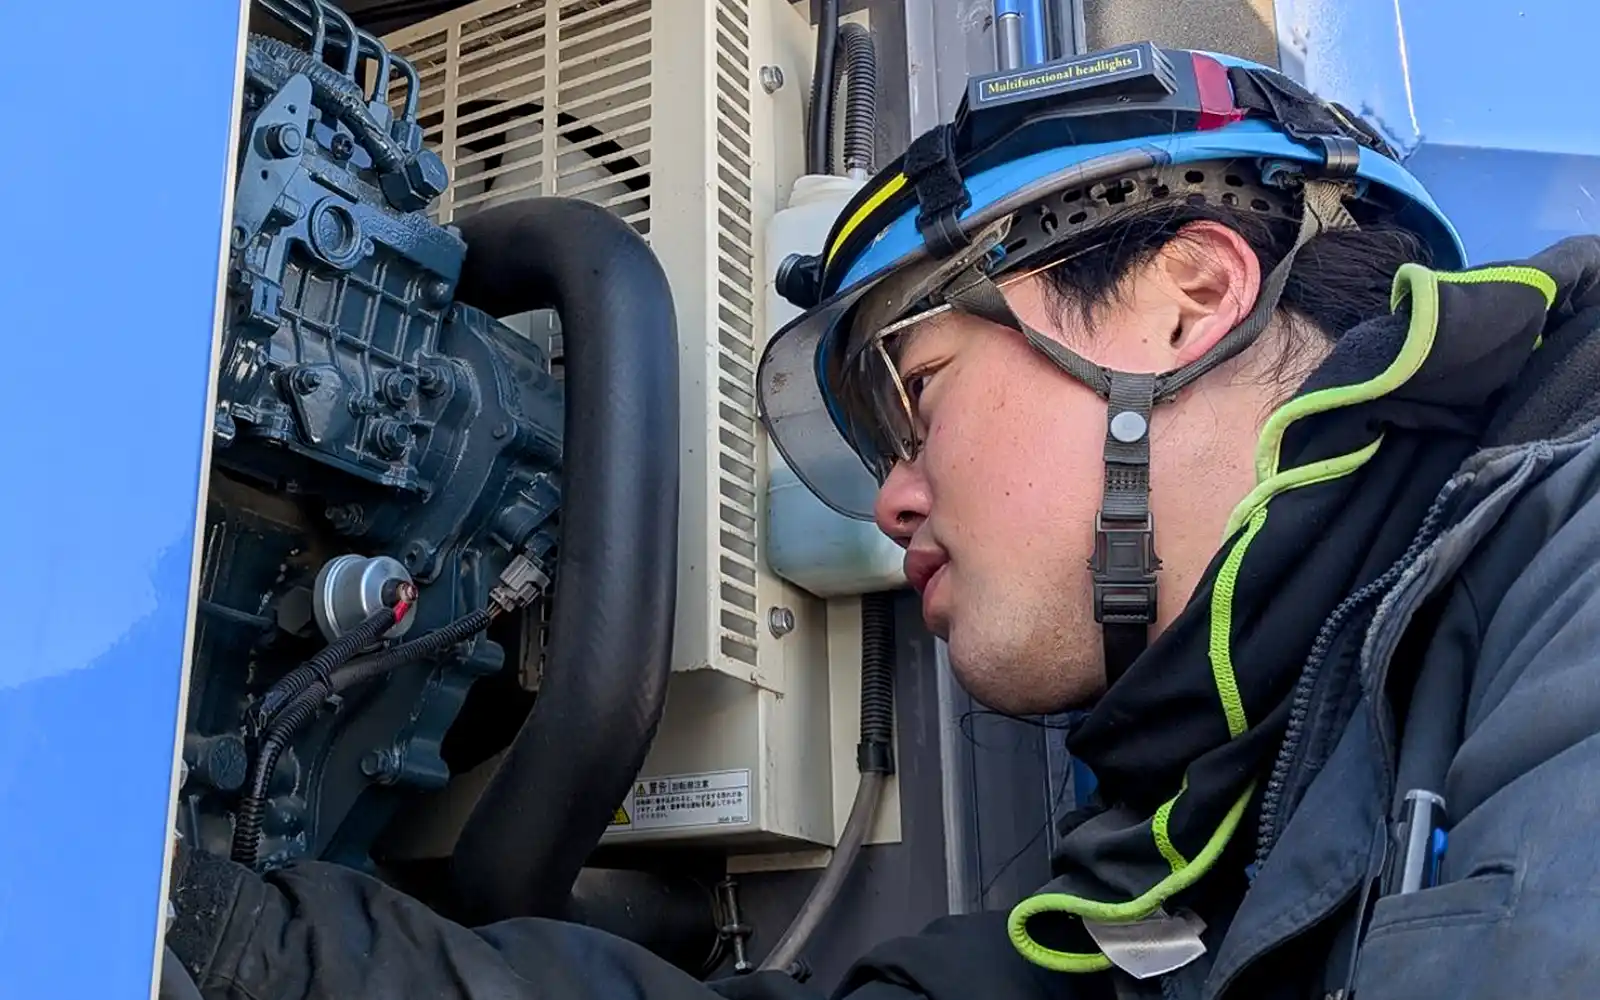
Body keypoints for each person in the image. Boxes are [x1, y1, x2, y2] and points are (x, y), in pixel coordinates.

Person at [164, 43, 1600, 1000]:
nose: (893, 495)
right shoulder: (1176, 851)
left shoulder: (1566, 557)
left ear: (1189, 299)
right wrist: (226, 946)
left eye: (915, 393)